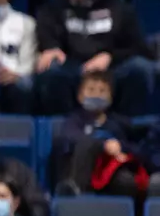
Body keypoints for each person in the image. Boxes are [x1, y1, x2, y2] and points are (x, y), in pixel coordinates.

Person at [34, 0, 153, 116]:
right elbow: (47, 35)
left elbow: (138, 46)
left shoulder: (118, 7)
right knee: (51, 72)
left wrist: (110, 56)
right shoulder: (53, 9)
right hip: (74, 70)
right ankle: (65, 125)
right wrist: (52, 47)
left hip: (112, 69)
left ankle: (126, 123)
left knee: (140, 68)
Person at [52, 71, 146, 200]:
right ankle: (79, 199)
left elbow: (136, 147)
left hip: (108, 173)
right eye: (91, 90)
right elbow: (69, 138)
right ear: (80, 96)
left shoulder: (118, 123)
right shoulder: (74, 120)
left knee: (127, 181)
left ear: (110, 98)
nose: (96, 95)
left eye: (102, 91)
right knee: (86, 144)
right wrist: (104, 145)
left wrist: (120, 147)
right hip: (78, 171)